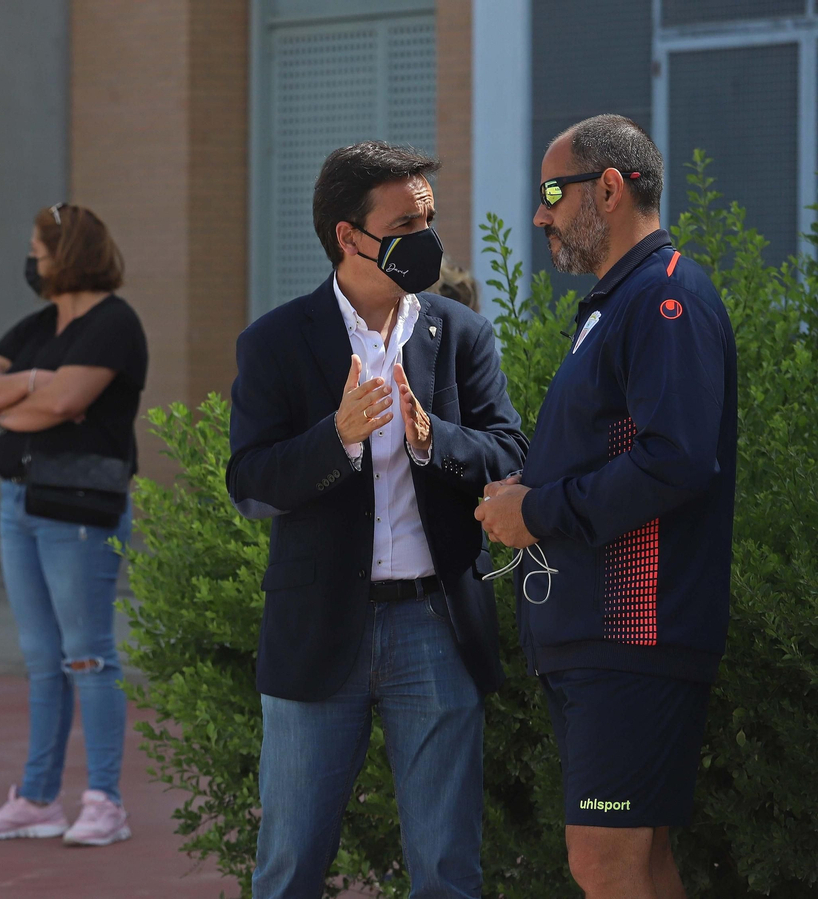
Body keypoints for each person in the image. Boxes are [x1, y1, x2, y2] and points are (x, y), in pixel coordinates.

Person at [227, 142, 528, 898]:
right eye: (405, 225)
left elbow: (509, 451)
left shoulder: (460, 333)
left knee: (448, 868)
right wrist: (336, 438)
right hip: (318, 629)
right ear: (349, 236)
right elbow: (251, 484)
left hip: (435, 625)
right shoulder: (275, 341)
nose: (426, 238)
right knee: (290, 866)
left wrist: (436, 440)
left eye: (428, 220)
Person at [476, 115, 737, 899]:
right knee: (636, 863)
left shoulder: (664, 296)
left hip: (632, 633)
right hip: (603, 638)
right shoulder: (620, 301)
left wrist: (537, 512)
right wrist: (520, 494)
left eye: (554, 193)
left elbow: (675, 460)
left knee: (604, 861)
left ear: (611, 188)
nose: (540, 214)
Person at [0, 203, 147, 847]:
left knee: (87, 654)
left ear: (63, 253)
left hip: (80, 511)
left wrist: (15, 404)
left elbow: (67, 403)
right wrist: (34, 381)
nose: (31, 261)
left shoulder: (114, 324)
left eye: (36, 250)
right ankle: (38, 799)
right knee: (42, 659)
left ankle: (105, 802)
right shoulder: (40, 327)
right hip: (19, 501)